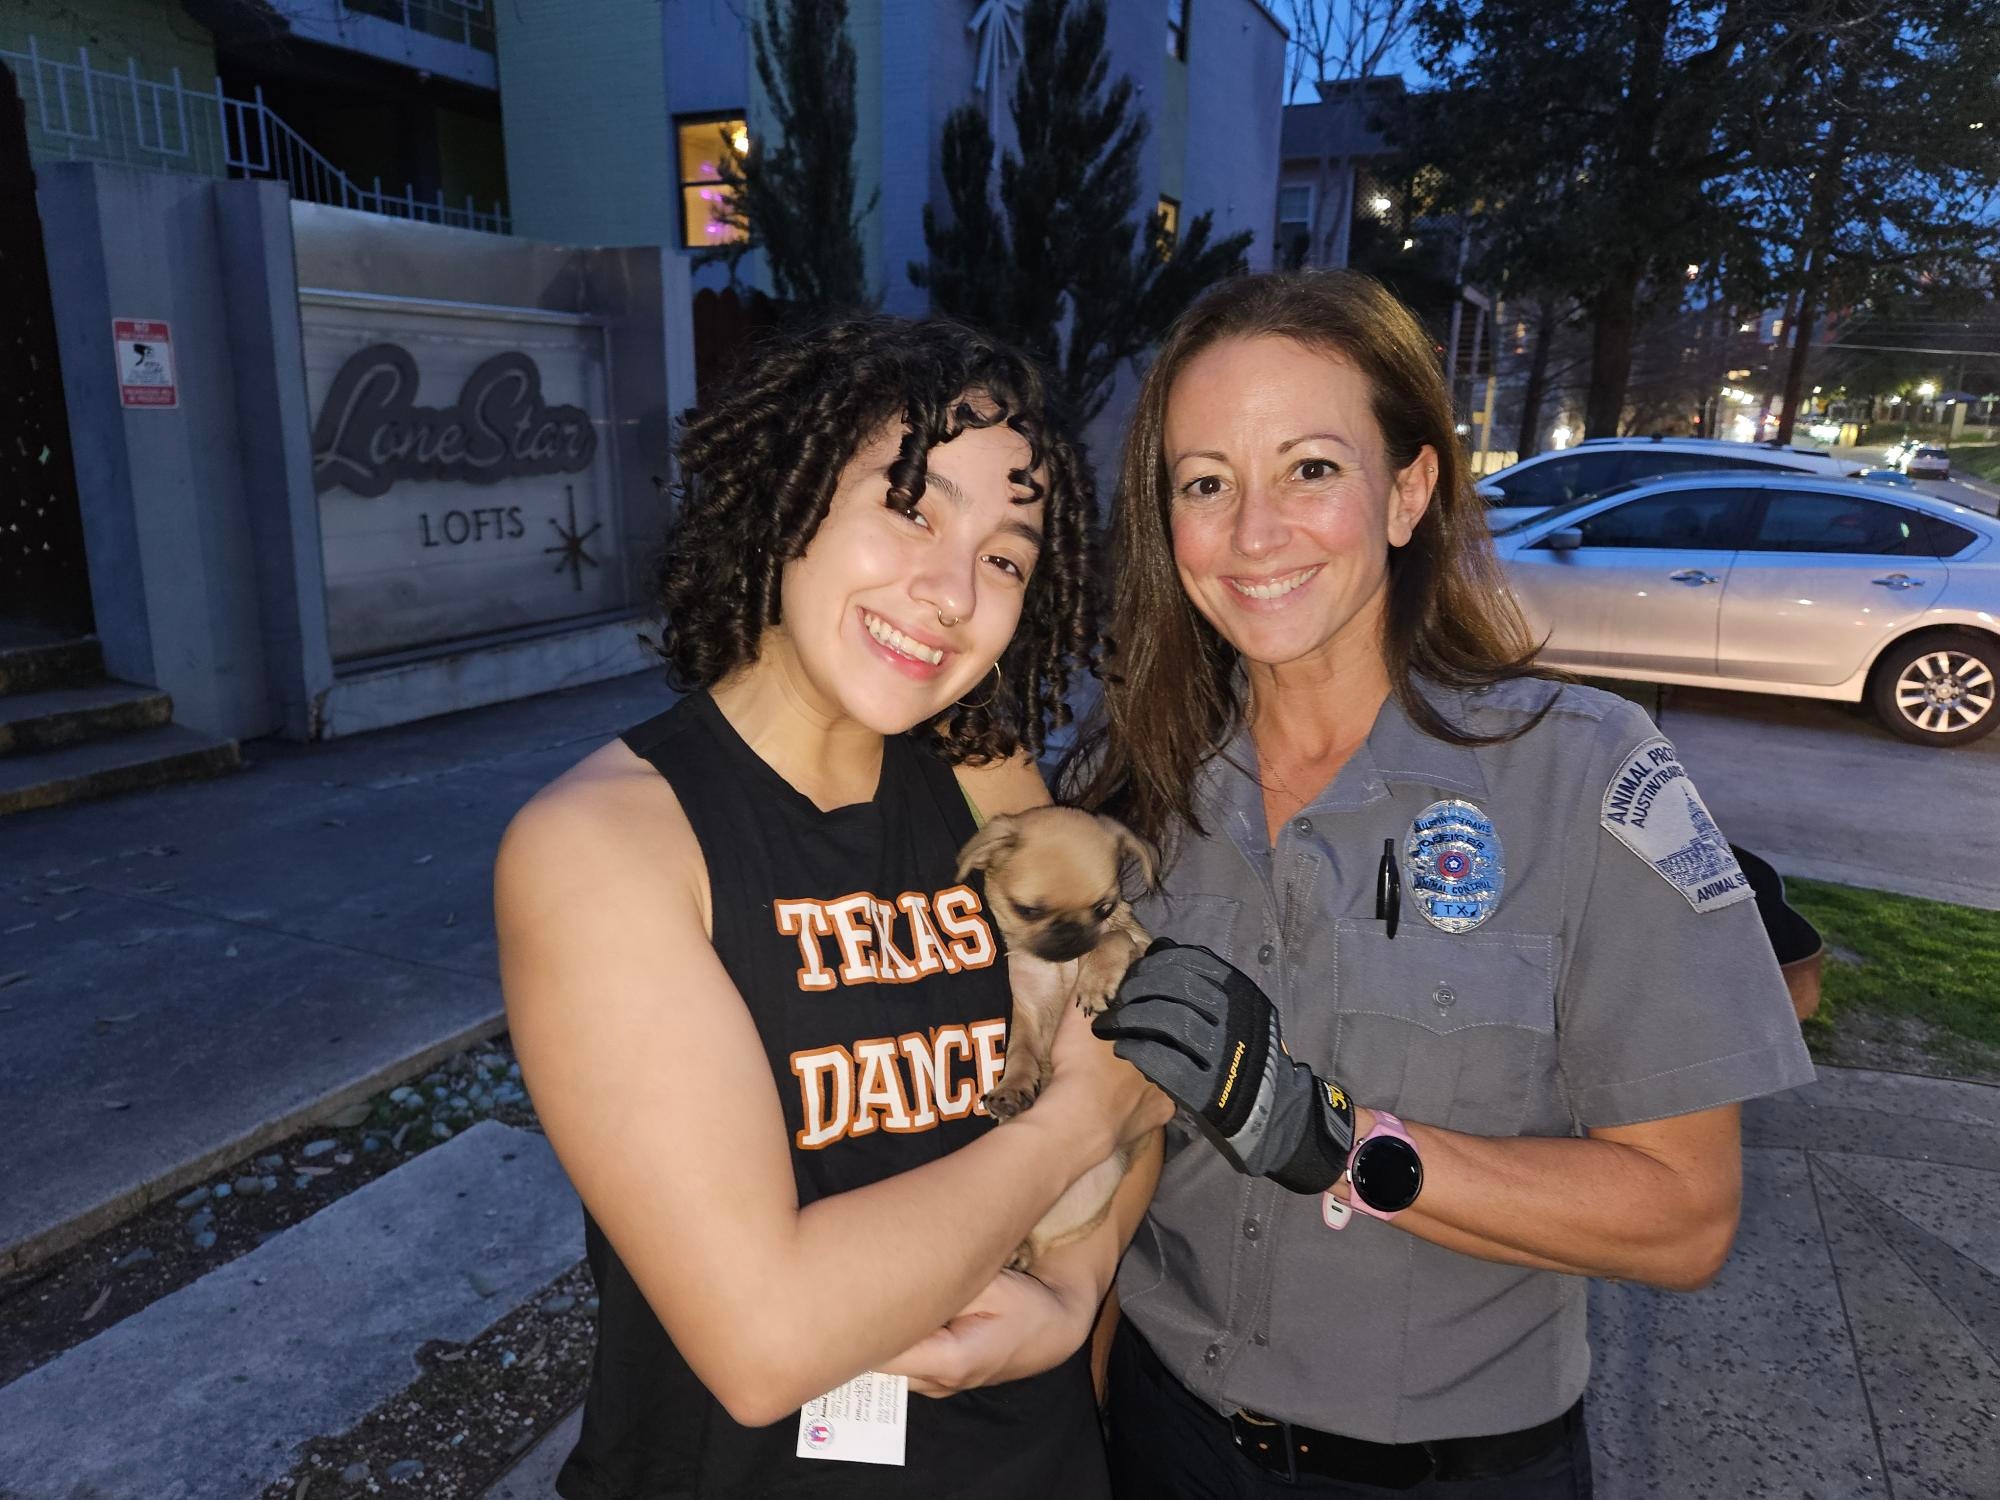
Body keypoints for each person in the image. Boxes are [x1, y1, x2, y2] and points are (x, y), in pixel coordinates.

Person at [1068, 270, 1816, 1497]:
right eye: (1205, 484)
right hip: (1165, 1445)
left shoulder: (1582, 778)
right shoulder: (1133, 797)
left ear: (1407, 489)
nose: (1253, 533)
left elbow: (1682, 1219)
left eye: (1309, 468)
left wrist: (1328, 1139)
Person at [494, 314, 1170, 1500]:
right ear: (791, 496)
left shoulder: (985, 778)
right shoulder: (605, 845)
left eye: (1007, 556)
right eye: (910, 508)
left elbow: (1140, 1092)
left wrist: (1070, 1293)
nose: (953, 591)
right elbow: (766, 1343)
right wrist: (1068, 1124)